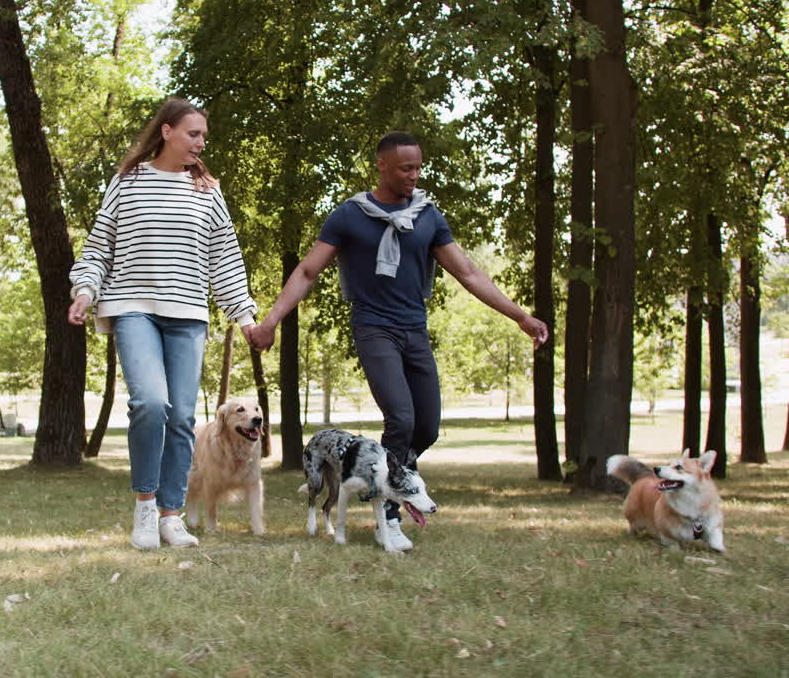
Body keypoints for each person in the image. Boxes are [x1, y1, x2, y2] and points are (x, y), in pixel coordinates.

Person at [248, 130, 548, 550]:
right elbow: (307, 271)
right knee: (401, 419)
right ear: (382, 165)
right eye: (406, 167)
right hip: (373, 328)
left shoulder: (427, 216)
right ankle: (387, 517)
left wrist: (520, 316)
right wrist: (271, 320)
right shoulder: (351, 215)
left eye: (418, 167)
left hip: (414, 329)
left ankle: (387, 481)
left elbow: (469, 272)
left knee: (426, 426)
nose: (414, 175)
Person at [68, 98, 259, 550]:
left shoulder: (207, 189)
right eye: (193, 134)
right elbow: (100, 247)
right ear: (167, 131)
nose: (200, 143)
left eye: (203, 137)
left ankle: (172, 517)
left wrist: (244, 314)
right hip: (133, 306)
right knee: (151, 403)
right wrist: (84, 290)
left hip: (188, 313)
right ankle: (145, 507)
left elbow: (224, 258)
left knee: (182, 416)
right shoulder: (128, 182)